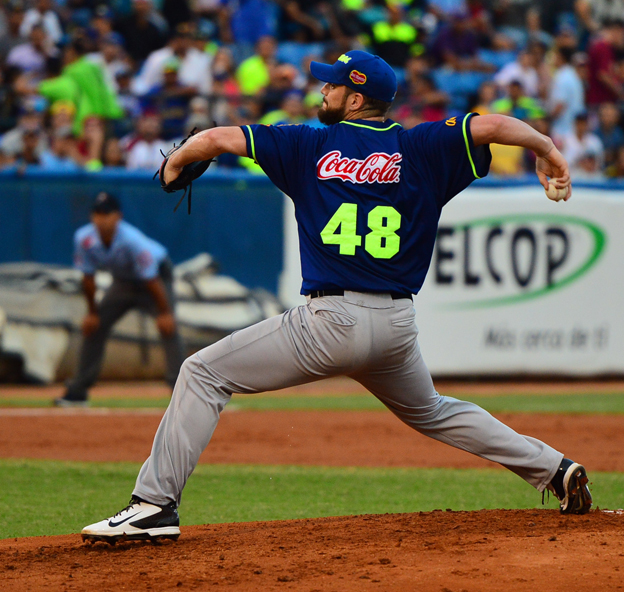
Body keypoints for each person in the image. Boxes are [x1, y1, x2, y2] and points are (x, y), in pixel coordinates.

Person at [81, 50, 591, 543]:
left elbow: (215, 137)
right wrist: (547, 149)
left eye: (333, 83)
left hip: (330, 322)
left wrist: (176, 163)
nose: (323, 88)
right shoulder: (422, 147)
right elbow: (496, 127)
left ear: (354, 99)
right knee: (433, 410)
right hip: (395, 327)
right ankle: (554, 468)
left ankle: (153, 506)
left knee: (202, 372)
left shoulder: (306, 145)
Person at [55, 192, 185, 407]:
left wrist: (164, 312)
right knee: (94, 326)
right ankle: (78, 391)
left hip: (156, 279)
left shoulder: (131, 240)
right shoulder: (84, 238)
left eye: (107, 214)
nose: (102, 219)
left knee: (168, 327)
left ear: (118, 216)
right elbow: (88, 278)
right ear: (91, 217)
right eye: (97, 214)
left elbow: (151, 279)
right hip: (123, 282)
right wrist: (92, 312)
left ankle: (182, 391)